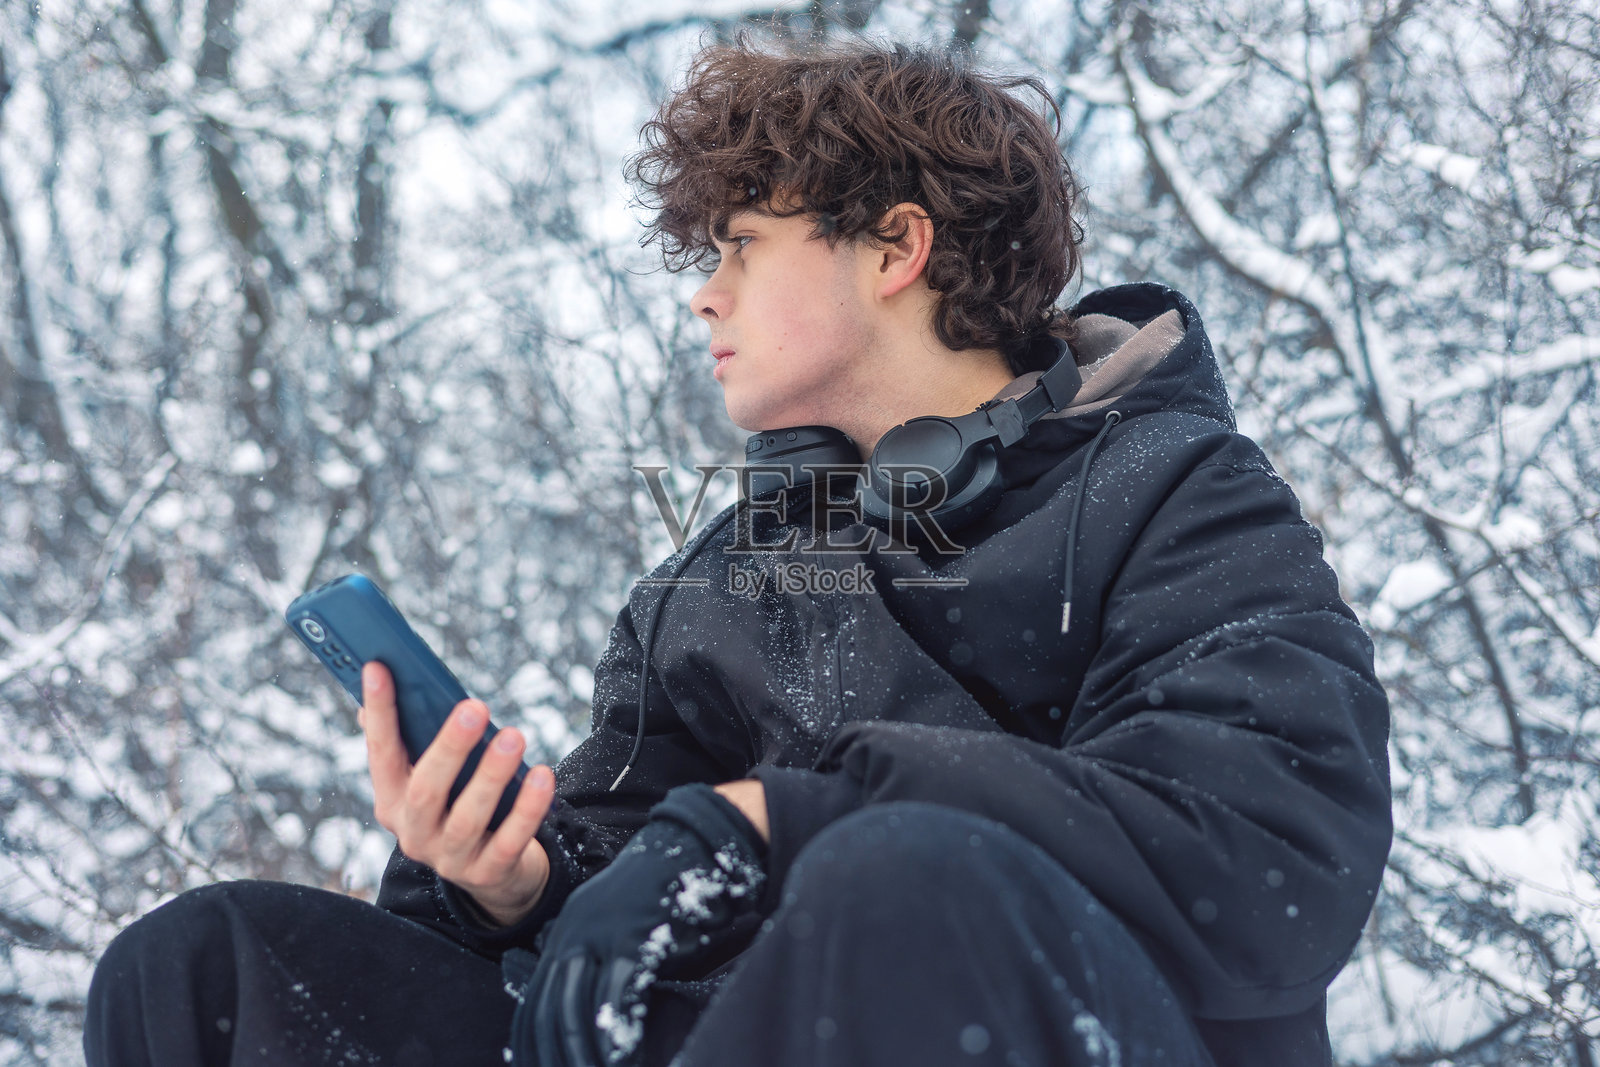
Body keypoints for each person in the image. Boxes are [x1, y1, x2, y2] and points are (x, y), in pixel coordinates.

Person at [84, 40, 1392, 1067]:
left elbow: (1267, 859)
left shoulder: (1179, 494)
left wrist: (775, 818)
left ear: (896, 246)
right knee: (206, 970)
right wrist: (505, 878)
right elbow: (605, 880)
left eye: (742, 248)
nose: (703, 293)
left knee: (901, 876)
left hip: (1074, 1027)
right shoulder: (717, 583)